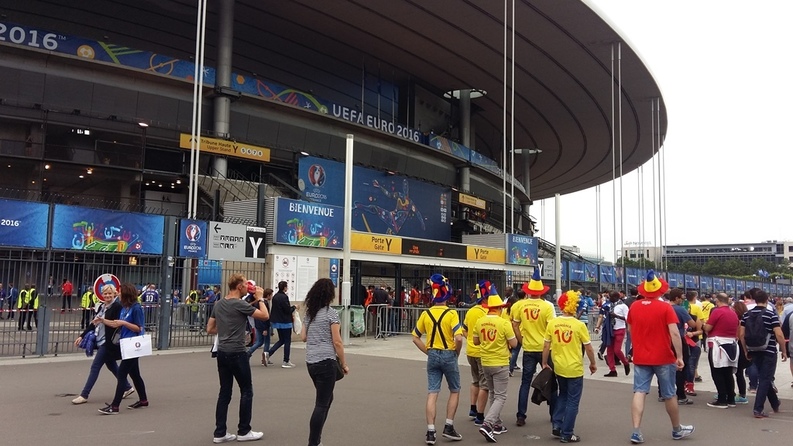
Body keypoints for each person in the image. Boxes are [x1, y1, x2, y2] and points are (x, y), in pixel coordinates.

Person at [626, 271, 694, 444]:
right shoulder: (665, 308)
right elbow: (674, 333)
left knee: (640, 391)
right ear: (660, 290)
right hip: (663, 356)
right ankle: (676, 429)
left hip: (641, 357)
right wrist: (679, 356)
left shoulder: (634, 306)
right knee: (670, 394)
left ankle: (636, 431)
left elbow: (629, 330)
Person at [207, 273, 270, 443]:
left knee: (224, 392)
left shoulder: (219, 304)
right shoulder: (240, 304)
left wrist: (227, 330)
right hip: (237, 352)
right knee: (246, 390)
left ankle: (220, 432)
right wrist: (261, 298)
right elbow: (264, 316)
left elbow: (210, 329)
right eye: (245, 284)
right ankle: (244, 430)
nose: (247, 287)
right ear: (239, 286)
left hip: (222, 352)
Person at [412, 274, 464, 445]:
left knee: (432, 392)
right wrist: (456, 352)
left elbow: (415, 337)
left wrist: (428, 351)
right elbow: (458, 338)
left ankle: (430, 431)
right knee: (454, 390)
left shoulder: (426, 314)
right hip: (449, 353)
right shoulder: (452, 314)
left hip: (433, 354)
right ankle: (448, 426)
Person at [542, 290, 597, 443]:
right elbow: (589, 348)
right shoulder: (579, 325)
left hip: (559, 366)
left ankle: (557, 424)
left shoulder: (553, 323)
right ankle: (567, 433)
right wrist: (593, 363)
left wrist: (544, 362)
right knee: (573, 401)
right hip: (574, 367)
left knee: (562, 395)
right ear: (576, 306)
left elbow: (546, 345)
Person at [300, 278, 349, 446]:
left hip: (311, 362)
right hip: (326, 361)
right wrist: (344, 363)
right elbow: (337, 342)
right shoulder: (331, 313)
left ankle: (316, 440)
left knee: (326, 398)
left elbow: (303, 337)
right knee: (321, 403)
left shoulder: (310, 313)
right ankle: (314, 442)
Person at [71, 284, 134, 405]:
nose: (107, 296)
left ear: (115, 294)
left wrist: (103, 321)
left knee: (95, 367)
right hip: (101, 341)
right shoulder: (102, 307)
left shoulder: (117, 307)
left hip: (109, 342)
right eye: (105, 293)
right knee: (111, 366)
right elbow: (94, 323)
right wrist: (81, 336)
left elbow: (117, 323)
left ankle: (84, 394)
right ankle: (127, 387)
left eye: (110, 293)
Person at [512, 266, 556, 427]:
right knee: (551, 381)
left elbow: (515, 325)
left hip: (529, 348)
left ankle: (521, 415)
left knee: (525, 382)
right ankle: (554, 415)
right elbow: (551, 329)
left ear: (529, 290)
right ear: (542, 291)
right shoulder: (548, 307)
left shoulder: (521, 306)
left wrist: (521, 340)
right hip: (545, 348)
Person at [473, 286, 517, 443]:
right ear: (499, 308)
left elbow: (476, 341)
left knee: (492, 392)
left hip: (485, 361)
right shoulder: (504, 323)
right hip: (500, 362)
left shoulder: (480, 322)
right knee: (501, 396)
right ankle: (488, 423)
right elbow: (514, 342)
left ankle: (497, 424)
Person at [98, 282, 149, 415]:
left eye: (119, 292)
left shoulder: (136, 308)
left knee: (121, 374)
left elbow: (139, 327)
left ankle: (115, 406)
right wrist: (102, 321)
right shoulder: (124, 308)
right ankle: (143, 400)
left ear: (125, 294)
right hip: (125, 344)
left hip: (134, 344)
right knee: (135, 374)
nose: (117, 294)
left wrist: (124, 323)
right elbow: (117, 324)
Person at [738, 290, 788, 418]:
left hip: (753, 350)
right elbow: (779, 334)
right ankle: (758, 409)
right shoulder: (770, 315)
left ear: (754, 299)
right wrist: (783, 350)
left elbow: (741, 335)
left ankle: (775, 403)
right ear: (767, 300)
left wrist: (745, 350)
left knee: (764, 376)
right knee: (765, 379)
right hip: (768, 350)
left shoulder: (746, 315)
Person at [703, 293, 740, 408]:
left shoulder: (717, 312)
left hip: (717, 345)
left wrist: (704, 326)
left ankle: (722, 399)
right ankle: (731, 398)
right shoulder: (733, 313)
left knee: (717, 372)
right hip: (731, 344)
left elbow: (708, 327)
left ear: (718, 301)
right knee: (728, 373)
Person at [462, 281, 489, 425]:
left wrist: (470, 339)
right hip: (482, 352)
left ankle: (473, 407)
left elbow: (464, 329)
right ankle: (480, 415)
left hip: (470, 351)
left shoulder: (471, 311)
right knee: (485, 384)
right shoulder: (487, 312)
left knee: (475, 380)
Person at [668, 288, 694, 405]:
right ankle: (681, 395)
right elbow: (692, 323)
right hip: (678, 339)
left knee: (665, 367)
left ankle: (663, 393)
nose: (682, 299)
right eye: (681, 298)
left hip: (665, 340)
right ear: (677, 298)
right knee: (681, 367)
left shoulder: (664, 308)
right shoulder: (680, 310)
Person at [265, 281, 296, 368]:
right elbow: (287, 310)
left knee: (281, 340)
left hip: (277, 322)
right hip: (285, 322)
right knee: (287, 341)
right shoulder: (284, 297)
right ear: (284, 288)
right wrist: (294, 307)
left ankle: (268, 353)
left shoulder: (275, 297)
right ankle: (286, 360)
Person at [601, 291, 630, 377]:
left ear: (616, 297)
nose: (609, 298)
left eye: (611, 297)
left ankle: (625, 362)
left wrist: (616, 316)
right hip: (610, 329)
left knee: (617, 350)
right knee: (609, 350)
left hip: (620, 329)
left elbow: (627, 318)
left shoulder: (623, 306)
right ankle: (612, 370)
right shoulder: (609, 305)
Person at [247, 288, 273, 363]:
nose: (271, 297)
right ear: (268, 295)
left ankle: (249, 353)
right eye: (271, 295)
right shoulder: (264, 303)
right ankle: (265, 357)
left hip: (258, 324)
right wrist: (265, 328)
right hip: (264, 325)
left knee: (259, 342)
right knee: (266, 342)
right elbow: (266, 316)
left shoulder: (257, 302)